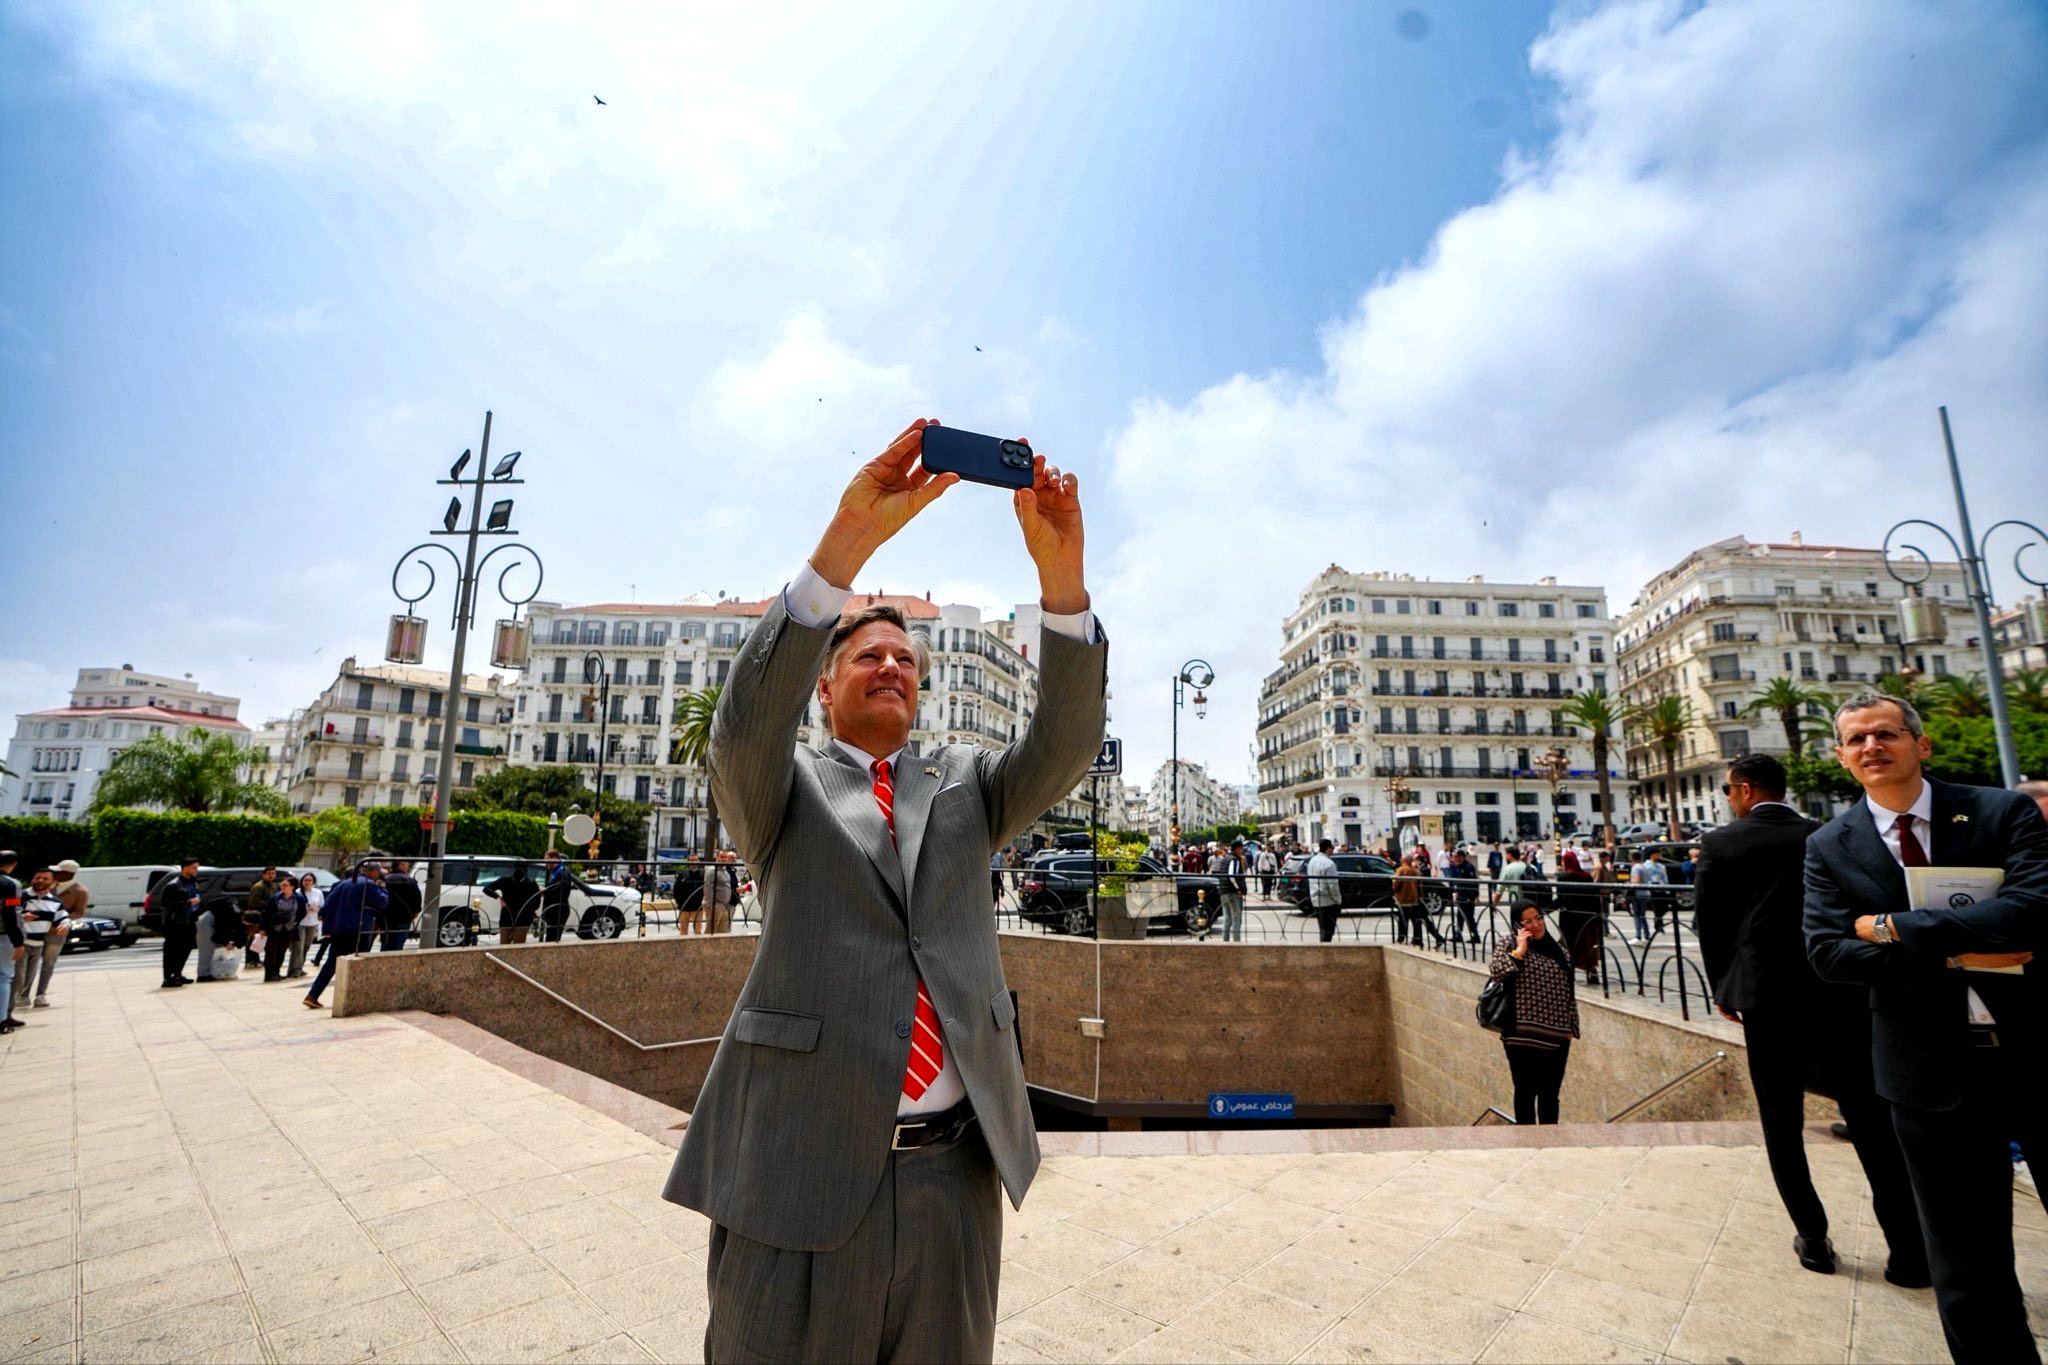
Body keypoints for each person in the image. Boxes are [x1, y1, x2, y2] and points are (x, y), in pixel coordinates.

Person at [661, 421, 1106, 1362]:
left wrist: (1062, 585)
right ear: (823, 688)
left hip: (954, 1176)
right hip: (797, 1165)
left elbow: (1063, 748)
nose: (891, 665)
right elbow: (742, 725)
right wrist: (846, 550)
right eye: (866, 655)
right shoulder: (779, 788)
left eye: (906, 660)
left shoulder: (968, 787)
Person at [1805, 693, 2047, 1362]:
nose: (1871, 746)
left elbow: (2034, 911)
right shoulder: (1829, 844)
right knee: (1968, 1268)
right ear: (1841, 756)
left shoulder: (2003, 811)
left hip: (2035, 1046)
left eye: (1886, 733)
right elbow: (1827, 952)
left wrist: (1891, 928)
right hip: (1927, 1070)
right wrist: (1960, 951)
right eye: (1856, 739)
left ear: (1922, 743)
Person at [1696, 752, 1928, 1286]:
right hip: (1837, 989)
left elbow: (1711, 922)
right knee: (1870, 1119)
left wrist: (1723, 986)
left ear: (1748, 791)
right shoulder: (1827, 834)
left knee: (1782, 1121)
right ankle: (1907, 1251)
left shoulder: (1722, 842)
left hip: (1764, 997)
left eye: (1730, 790)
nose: (1729, 800)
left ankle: (1815, 1239)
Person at [1487, 899, 1579, 1124]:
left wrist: (1572, 1028)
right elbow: (1497, 972)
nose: (1536, 925)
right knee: (1525, 1092)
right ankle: (1527, 1142)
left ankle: (1549, 1144)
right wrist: (1520, 950)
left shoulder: (1559, 951)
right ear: (1518, 924)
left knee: (1550, 1095)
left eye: (1538, 918)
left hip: (1556, 1037)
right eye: (1528, 921)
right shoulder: (1508, 943)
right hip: (1521, 1035)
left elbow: (1569, 991)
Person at [305, 857, 388, 1010]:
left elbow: (327, 906)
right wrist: (382, 888)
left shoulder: (343, 884)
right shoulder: (369, 885)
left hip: (339, 929)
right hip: (359, 929)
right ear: (373, 871)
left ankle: (313, 995)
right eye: (378, 872)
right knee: (360, 963)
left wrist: (329, 928)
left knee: (331, 963)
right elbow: (382, 902)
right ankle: (358, 998)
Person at [1552, 850, 1603, 985]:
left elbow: (1561, 898)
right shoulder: (1586, 876)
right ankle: (1592, 972)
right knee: (1587, 945)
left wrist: (1547, 907)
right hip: (1586, 918)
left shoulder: (1563, 877)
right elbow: (1595, 897)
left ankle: (1569, 972)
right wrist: (1598, 917)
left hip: (1569, 918)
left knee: (1569, 945)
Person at [15, 870, 61, 1011]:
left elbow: (62, 916)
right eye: (37, 878)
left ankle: (24, 997)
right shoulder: (21, 896)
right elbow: (9, 914)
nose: (40, 881)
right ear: (32, 880)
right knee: (19, 974)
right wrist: (22, 917)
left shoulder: (54, 901)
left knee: (31, 973)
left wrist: (65, 924)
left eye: (45, 879)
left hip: (39, 942)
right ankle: (14, 999)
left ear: (52, 883)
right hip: (21, 942)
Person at [159, 857, 200, 988]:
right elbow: (166, 904)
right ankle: (169, 977)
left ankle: (178, 973)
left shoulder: (193, 882)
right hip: (175, 923)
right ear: (185, 867)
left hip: (189, 921)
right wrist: (188, 902)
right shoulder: (174, 885)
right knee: (172, 950)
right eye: (194, 868)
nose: (196, 870)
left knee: (186, 948)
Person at [262, 877, 306, 982]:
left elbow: (302, 912)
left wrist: (296, 921)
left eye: (285, 885)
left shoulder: (299, 898)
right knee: (271, 951)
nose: (283, 887)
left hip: (289, 928)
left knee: (281, 951)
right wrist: (263, 928)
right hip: (275, 928)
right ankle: (269, 974)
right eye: (282, 885)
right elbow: (267, 913)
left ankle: (276, 972)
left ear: (293, 887)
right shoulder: (275, 898)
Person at [487, 862, 540, 945]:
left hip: (519, 918)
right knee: (509, 944)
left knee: (515, 945)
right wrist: (498, 897)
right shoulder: (530, 883)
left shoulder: (530, 883)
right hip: (511, 917)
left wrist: (498, 897)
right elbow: (487, 889)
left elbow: (537, 902)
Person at [0, 851, 24, 1033]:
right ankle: (2, 1020)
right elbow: (11, 914)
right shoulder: (10, 884)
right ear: (13, 864)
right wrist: (18, 941)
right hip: (2, 936)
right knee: (4, 977)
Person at [1629, 849, 1669, 943]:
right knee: (1643, 914)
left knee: (1638, 915)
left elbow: (1636, 881)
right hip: (1648, 891)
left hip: (1640, 892)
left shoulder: (1637, 867)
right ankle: (1648, 933)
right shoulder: (1645, 866)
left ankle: (1638, 936)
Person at [1211, 841, 1247, 942]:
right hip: (1232, 892)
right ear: (1237, 848)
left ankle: (1225, 942)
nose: (1242, 851)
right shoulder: (1234, 860)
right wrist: (1238, 889)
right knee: (1236, 919)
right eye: (1241, 848)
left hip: (1223, 891)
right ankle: (1236, 943)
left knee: (1227, 919)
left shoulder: (1225, 858)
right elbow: (1232, 876)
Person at [1306, 838, 1342, 942]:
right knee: (1328, 931)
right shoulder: (1329, 864)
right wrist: (1338, 900)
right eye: (1332, 848)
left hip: (1316, 899)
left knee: (1322, 929)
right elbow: (1333, 885)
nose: (1333, 850)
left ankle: (1323, 949)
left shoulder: (1312, 861)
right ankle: (1326, 952)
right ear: (1328, 848)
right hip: (1328, 901)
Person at [1444, 846, 1481, 943]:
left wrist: (1475, 895)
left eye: (1456, 856)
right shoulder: (1458, 866)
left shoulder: (1468, 867)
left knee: (1469, 916)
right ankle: (1458, 935)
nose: (1454, 858)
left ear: (1462, 857)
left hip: (1468, 895)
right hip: (1461, 894)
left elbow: (1473, 882)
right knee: (1460, 916)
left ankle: (1475, 935)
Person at [290, 873, 322, 978]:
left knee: (306, 947)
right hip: (300, 923)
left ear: (313, 882)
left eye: (310, 880)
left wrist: (316, 909)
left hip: (312, 923)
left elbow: (322, 906)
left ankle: (300, 967)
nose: (307, 882)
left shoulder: (318, 892)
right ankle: (295, 970)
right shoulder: (298, 893)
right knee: (298, 947)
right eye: (305, 880)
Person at [538, 850, 572, 942]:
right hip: (554, 909)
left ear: (554, 859)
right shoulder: (556, 871)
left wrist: (545, 891)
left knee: (552, 938)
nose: (546, 864)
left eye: (547, 861)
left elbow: (560, 890)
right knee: (551, 936)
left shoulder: (562, 872)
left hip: (558, 910)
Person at [675, 853, 705, 935]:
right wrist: (679, 902)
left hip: (697, 906)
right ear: (688, 862)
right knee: (683, 931)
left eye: (695, 860)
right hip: (684, 906)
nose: (694, 862)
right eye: (692, 860)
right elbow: (676, 889)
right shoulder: (682, 874)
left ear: (698, 861)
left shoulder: (703, 874)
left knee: (698, 931)